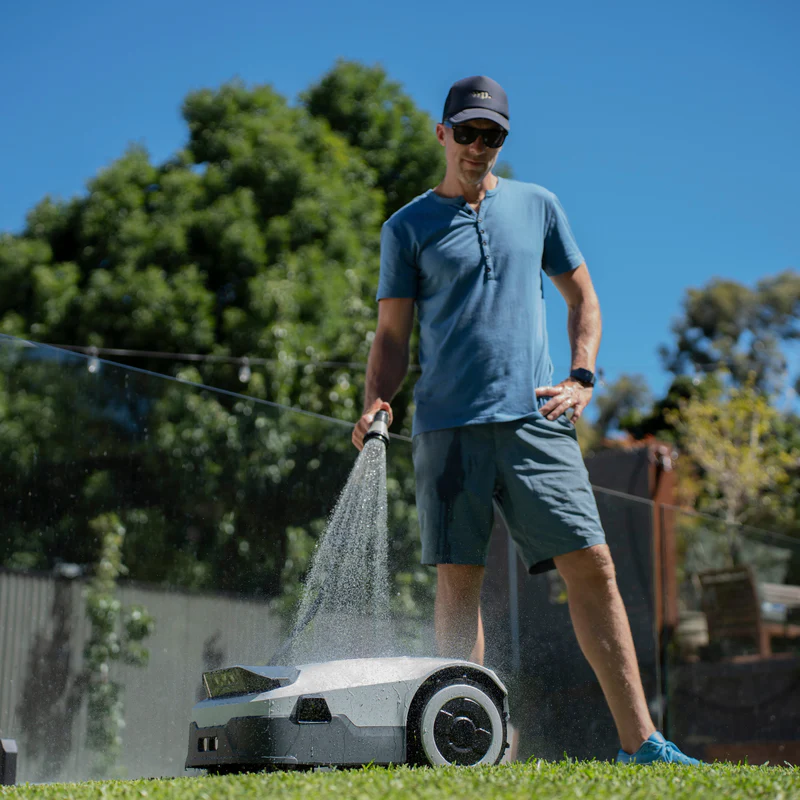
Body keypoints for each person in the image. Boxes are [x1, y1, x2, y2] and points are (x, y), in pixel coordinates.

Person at [352, 75, 699, 766]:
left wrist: (582, 377)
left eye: (494, 135)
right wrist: (375, 398)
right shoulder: (407, 227)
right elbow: (391, 337)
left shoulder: (539, 207)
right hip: (447, 429)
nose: (480, 146)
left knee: (593, 565)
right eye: (469, 132)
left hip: (535, 423)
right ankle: (463, 750)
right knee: (459, 581)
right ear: (442, 133)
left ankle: (644, 744)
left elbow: (584, 299)